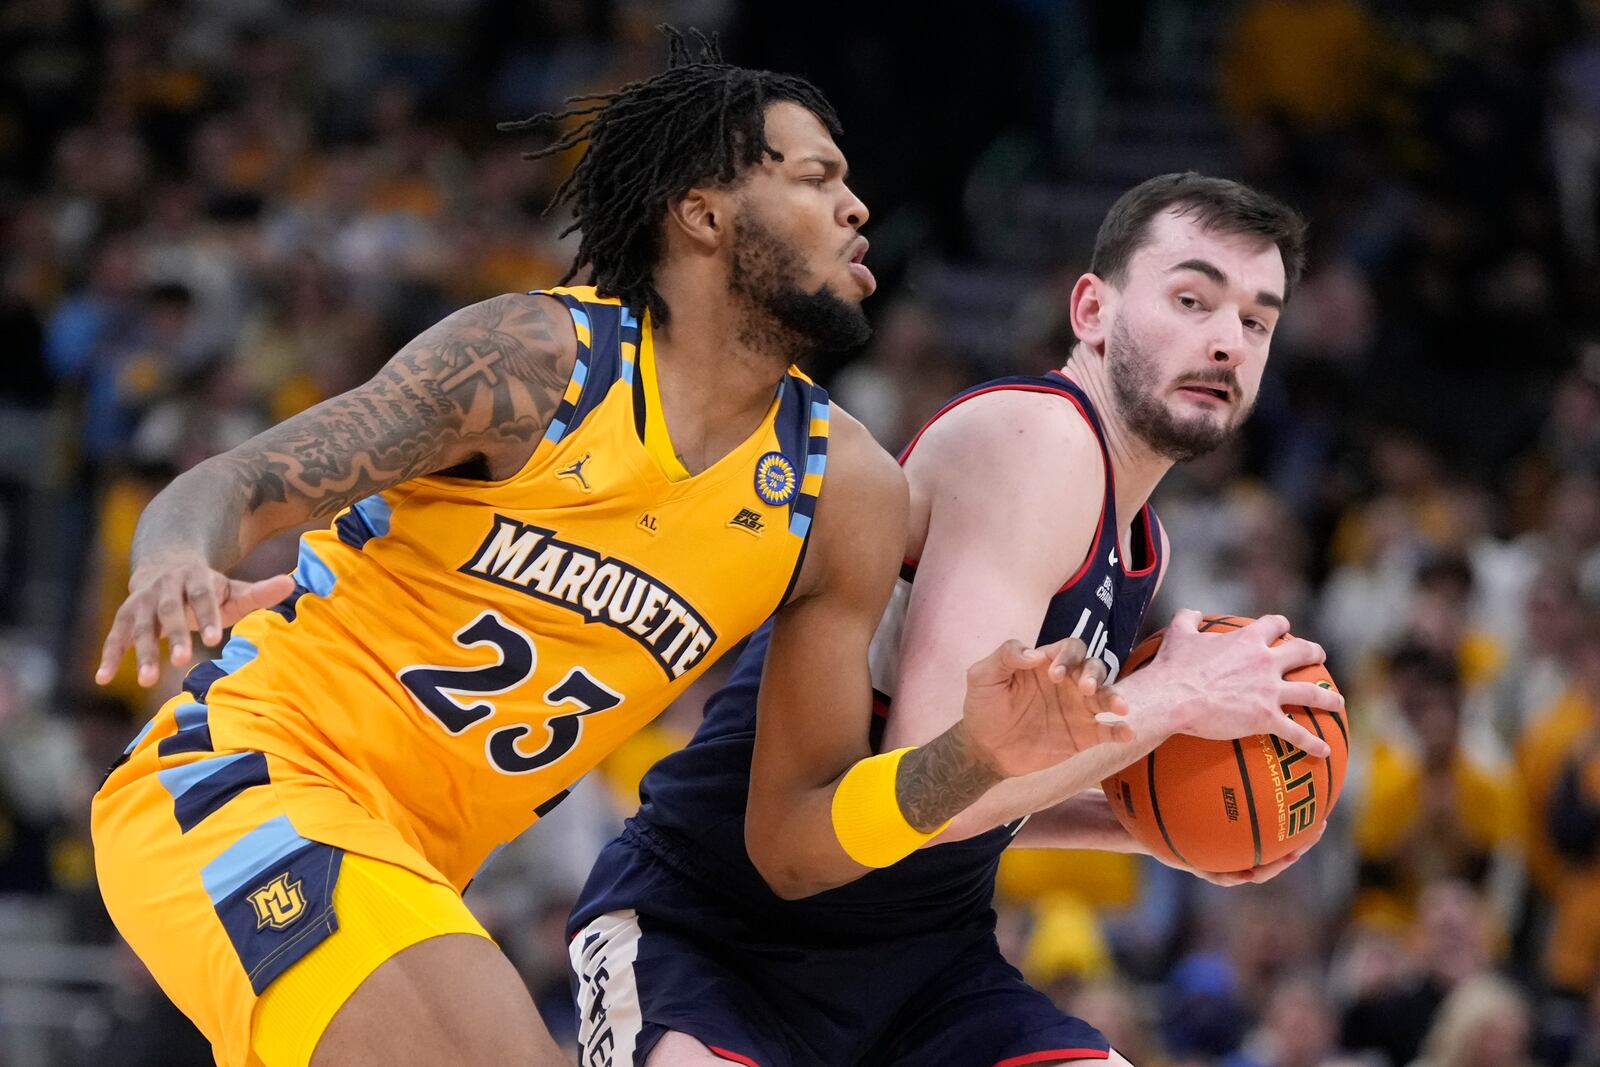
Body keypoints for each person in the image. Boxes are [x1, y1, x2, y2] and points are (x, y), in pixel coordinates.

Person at [89, 34, 1132, 1067]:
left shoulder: (841, 494)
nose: (857, 208)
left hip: (417, 862)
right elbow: (234, 483)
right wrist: (174, 558)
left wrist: (977, 758)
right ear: (703, 212)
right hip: (244, 775)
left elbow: (795, 840)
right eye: (817, 179)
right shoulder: (537, 364)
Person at [569, 172, 1344, 1067]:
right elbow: (932, 777)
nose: (1225, 341)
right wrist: (1172, 697)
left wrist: (1138, 822)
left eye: (1256, 321)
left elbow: (974, 798)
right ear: (1091, 309)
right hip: (718, 934)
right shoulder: (1035, 444)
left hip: (923, 973)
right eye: (1192, 298)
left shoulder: (1143, 541)